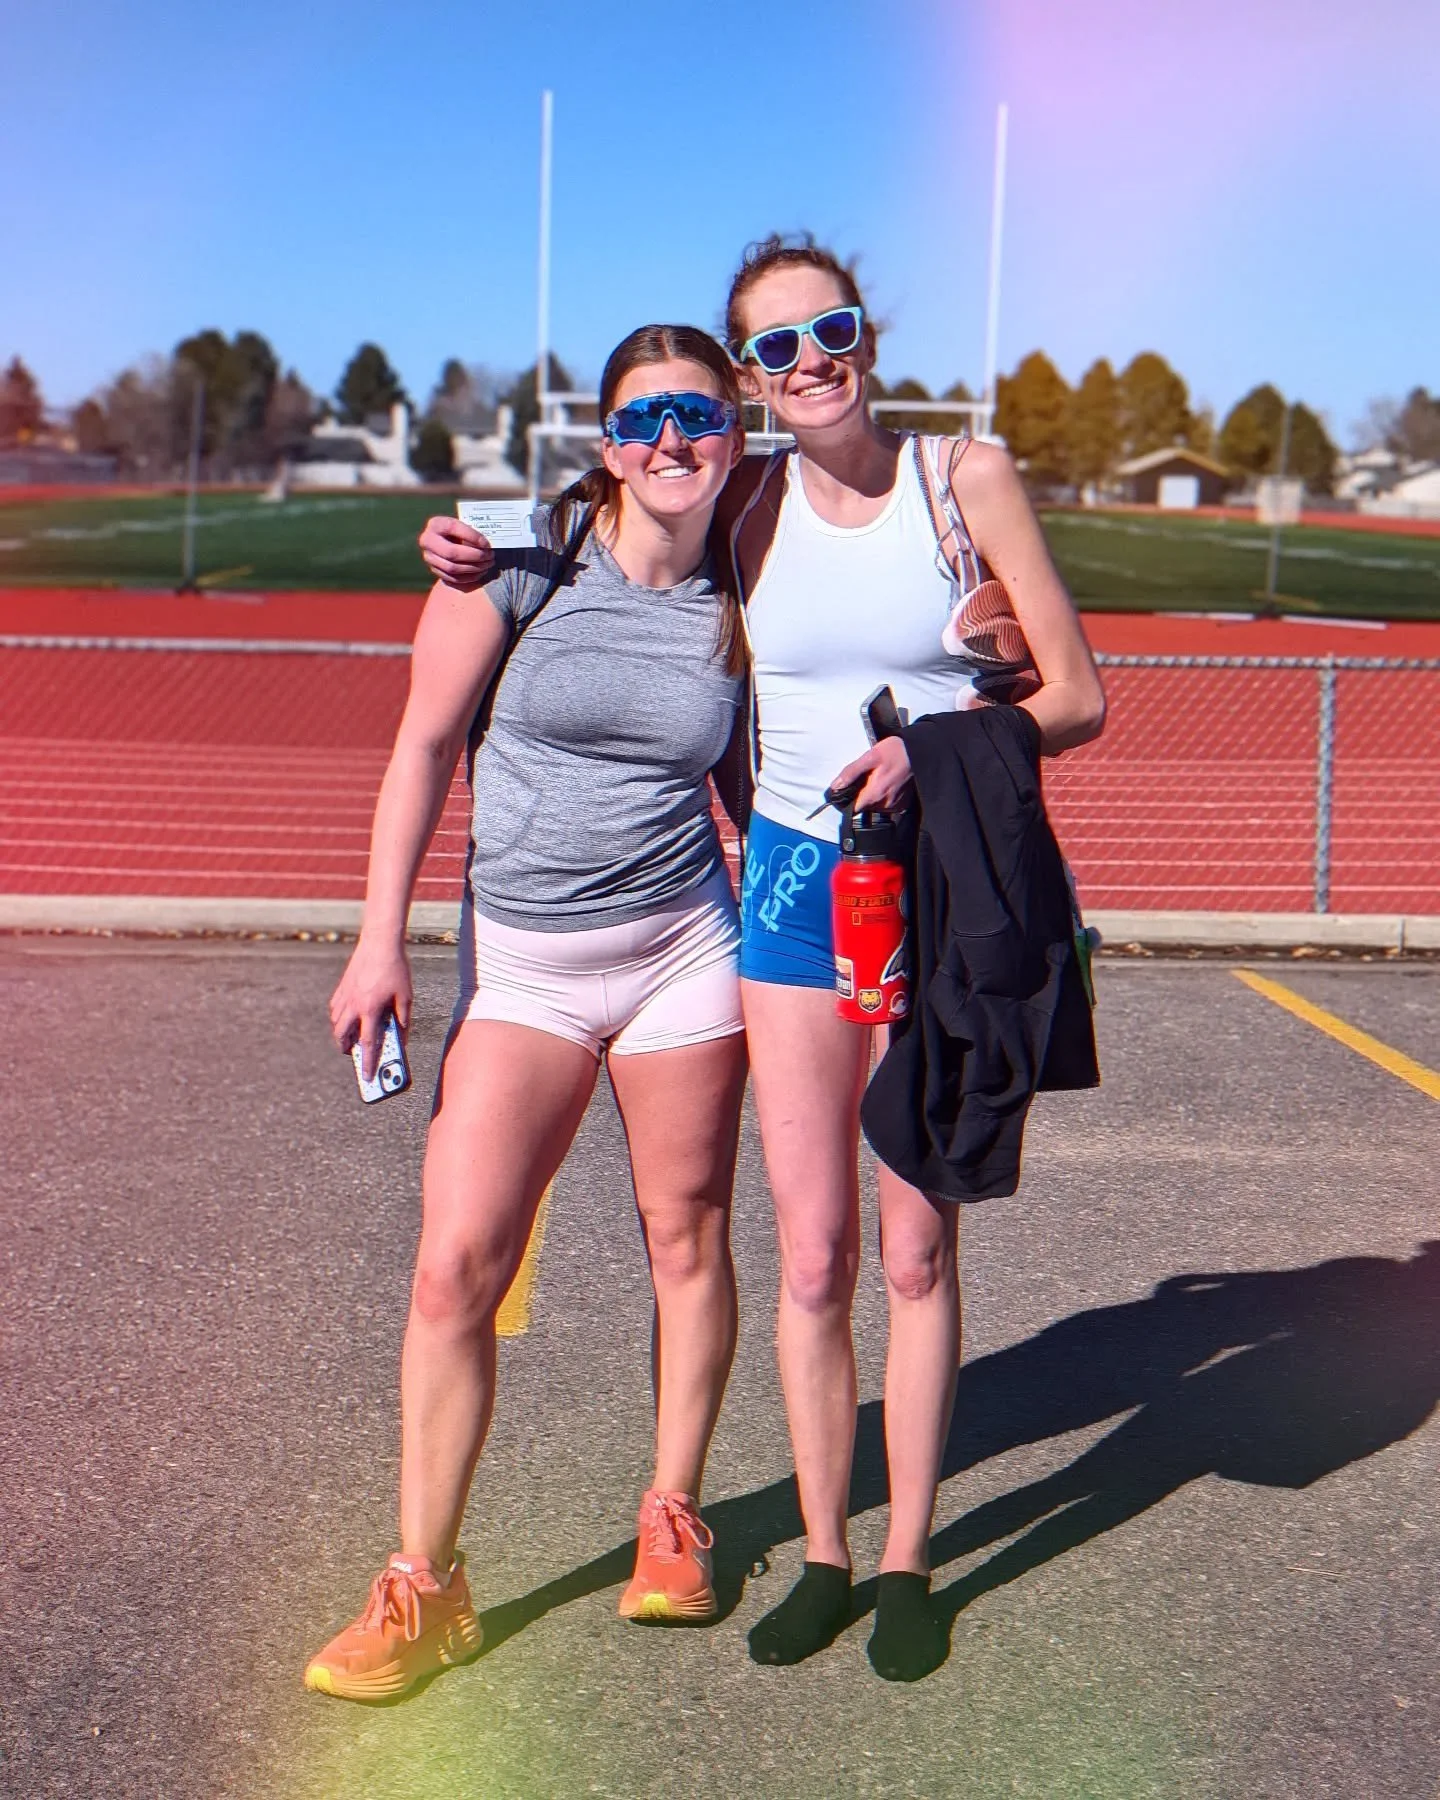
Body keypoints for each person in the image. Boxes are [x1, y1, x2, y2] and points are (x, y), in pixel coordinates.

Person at [419, 236, 1106, 1681]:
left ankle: (910, 1558)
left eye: (831, 330)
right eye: (775, 349)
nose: (809, 363)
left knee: (916, 1246)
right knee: (812, 1259)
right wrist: (466, 539)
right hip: (792, 891)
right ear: (749, 377)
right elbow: (604, 516)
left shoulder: (960, 481)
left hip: (939, 885)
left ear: (871, 333)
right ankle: (823, 1553)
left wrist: (947, 736)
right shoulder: (746, 501)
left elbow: (1080, 698)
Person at [305, 324, 751, 1703]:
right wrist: (378, 939)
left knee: (688, 1238)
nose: (668, 444)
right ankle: (424, 1584)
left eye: (696, 416)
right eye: (638, 421)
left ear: (737, 430)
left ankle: (672, 1513)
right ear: (602, 439)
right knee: (455, 1270)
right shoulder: (521, 552)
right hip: (530, 964)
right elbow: (425, 746)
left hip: (689, 950)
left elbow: (752, 783)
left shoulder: (757, 577)